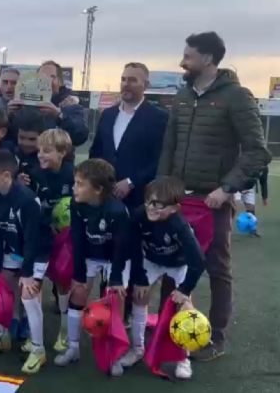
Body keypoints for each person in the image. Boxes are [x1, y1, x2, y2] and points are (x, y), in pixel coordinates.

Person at [158, 31, 272, 360]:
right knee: (171, 265)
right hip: (178, 199)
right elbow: (169, 146)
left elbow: (257, 152)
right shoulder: (181, 96)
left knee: (217, 269)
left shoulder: (237, 96)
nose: (183, 61)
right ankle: (170, 327)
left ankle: (216, 337)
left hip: (213, 201)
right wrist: (162, 189)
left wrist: (226, 188)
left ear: (208, 59)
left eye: (189, 56)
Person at [116, 176, 205, 379]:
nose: (151, 207)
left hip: (178, 264)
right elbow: (129, 248)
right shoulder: (138, 216)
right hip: (151, 261)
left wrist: (184, 291)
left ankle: (183, 358)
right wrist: (139, 277)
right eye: (149, 201)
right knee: (139, 297)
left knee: (185, 306)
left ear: (175, 208)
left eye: (158, 204)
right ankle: (137, 349)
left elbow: (198, 262)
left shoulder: (179, 226)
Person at [54, 159, 131, 375]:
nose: (74, 188)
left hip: (116, 259)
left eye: (79, 184)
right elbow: (77, 240)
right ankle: (73, 347)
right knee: (77, 294)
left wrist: (115, 279)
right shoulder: (77, 205)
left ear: (98, 190)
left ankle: (115, 353)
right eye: (74, 182)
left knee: (117, 299)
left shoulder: (118, 211)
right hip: (90, 256)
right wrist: (79, 274)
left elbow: (121, 249)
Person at [0, 149, 52, 375]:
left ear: (7, 176)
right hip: (13, 250)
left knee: (28, 293)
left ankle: (38, 349)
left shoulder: (27, 200)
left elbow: (32, 239)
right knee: (0, 285)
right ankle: (2, 338)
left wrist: (28, 272)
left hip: (36, 251)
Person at [89, 62, 168, 209]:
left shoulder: (159, 118)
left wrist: (131, 182)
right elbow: (96, 152)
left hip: (139, 200)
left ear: (146, 85)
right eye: (123, 79)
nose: (126, 84)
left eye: (132, 80)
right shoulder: (108, 115)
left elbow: (160, 159)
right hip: (105, 196)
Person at [30, 129, 74, 352]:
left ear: (62, 152)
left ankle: (64, 329)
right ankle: (33, 333)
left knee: (62, 283)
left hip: (65, 239)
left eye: (47, 151)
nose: (41, 155)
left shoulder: (73, 174)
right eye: (39, 150)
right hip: (43, 235)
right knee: (35, 282)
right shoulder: (35, 174)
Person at [8, 60, 88, 148]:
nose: (46, 80)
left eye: (52, 77)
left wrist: (59, 115)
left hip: (58, 160)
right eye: (41, 77)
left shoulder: (70, 105)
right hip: (27, 159)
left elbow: (80, 136)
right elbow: (11, 136)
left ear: (60, 81)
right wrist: (11, 115)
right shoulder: (26, 102)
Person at [15, 108, 44, 191]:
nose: (26, 143)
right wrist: (15, 183)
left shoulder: (48, 158)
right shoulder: (12, 154)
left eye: (32, 139)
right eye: (21, 137)